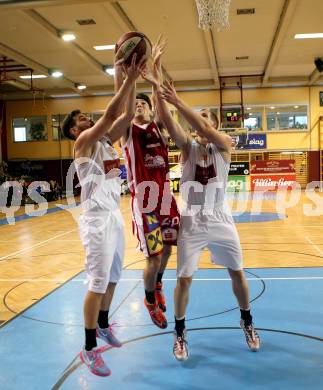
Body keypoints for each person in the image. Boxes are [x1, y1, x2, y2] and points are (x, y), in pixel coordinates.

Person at [141, 48, 260, 360]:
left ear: (216, 124)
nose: (199, 122)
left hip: (220, 217)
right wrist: (156, 81)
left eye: (205, 117)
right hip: (192, 219)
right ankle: (179, 334)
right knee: (184, 279)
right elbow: (165, 117)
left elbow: (206, 129)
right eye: (199, 118)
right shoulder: (187, 146)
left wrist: (179, 101)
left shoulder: (223, 146)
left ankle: (247, 321)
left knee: (238, 273)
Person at [61, 55, 144, 376]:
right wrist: (124, 76)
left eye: (85, 115)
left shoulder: (107, 143)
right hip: (95, 220)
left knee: (113, 278)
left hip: (114, 216)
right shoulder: (83, 142)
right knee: (97, 283)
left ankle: (104, 325)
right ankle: (88, 347)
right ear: (73, 129)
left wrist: (130, 78)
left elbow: (123, 114)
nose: (85, 117)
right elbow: (111, 113)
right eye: (80, 117)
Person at [116, 38, 180, 329]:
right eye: (137, 103)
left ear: (151, 110)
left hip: (166, 200)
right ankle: (149, 301)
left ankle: (158, 285)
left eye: (144, 103)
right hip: (145, 204)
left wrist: (156, 66)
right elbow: (122, 106)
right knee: (152, 258)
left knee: (167, 250)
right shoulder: (128, 132)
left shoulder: (160, 129)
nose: (139, 105)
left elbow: (164, 99)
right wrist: (124, 74)